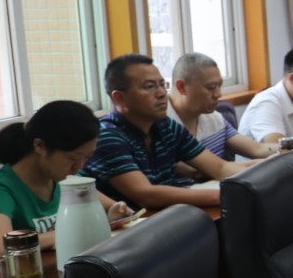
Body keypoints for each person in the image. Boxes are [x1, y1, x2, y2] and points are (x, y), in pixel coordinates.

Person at [0, 101, 129, 270]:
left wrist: (116, 211)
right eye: (73, 158)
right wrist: (69, 233)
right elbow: (0, 249)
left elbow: (112, 207)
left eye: (87, 157)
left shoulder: (64, 178)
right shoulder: (0, 189)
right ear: (39, 146)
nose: (79, 166)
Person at [82, 54, 247, 209]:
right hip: (127, 225)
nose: (161, 93)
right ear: (119, 98)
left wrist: (261, 175)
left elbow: (220, 168)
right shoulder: (106, 135)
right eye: (149, 87)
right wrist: (225, 195)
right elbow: (146, 194)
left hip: (164, 217)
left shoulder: (165, 126)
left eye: (162, 84)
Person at [168, 52, 277, 165]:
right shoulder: (161, 128)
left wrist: (288, 147)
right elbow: (215, 169)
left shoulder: (214, 118)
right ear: (181, 87)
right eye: (211, 87)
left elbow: (257, 149)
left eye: (219, 86)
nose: (218, 94)